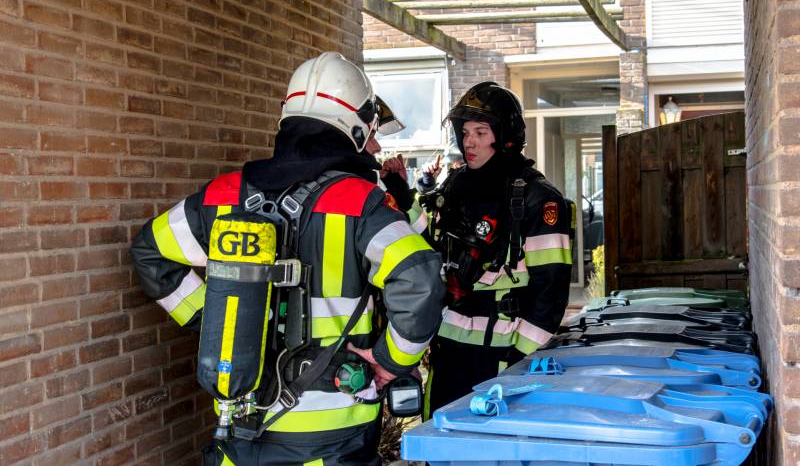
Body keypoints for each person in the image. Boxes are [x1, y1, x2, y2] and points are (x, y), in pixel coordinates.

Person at [131, 52, 445, 465]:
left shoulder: (222, 195)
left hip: (240, 422)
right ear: (353, 127)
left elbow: (150, 252)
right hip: (333, 429)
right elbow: (420, 278)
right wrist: (389, 362)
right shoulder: (360, 202)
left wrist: (214, 319)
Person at [419, 81, 574, 418]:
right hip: (450, 353)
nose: (468, 141)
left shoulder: (539, 198)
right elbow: (426, 245)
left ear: (504, 135)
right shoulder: (455, 186)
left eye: (480, 131)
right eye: (465, 131)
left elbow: (551, 293)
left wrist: (520, 362)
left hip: (504, 358)